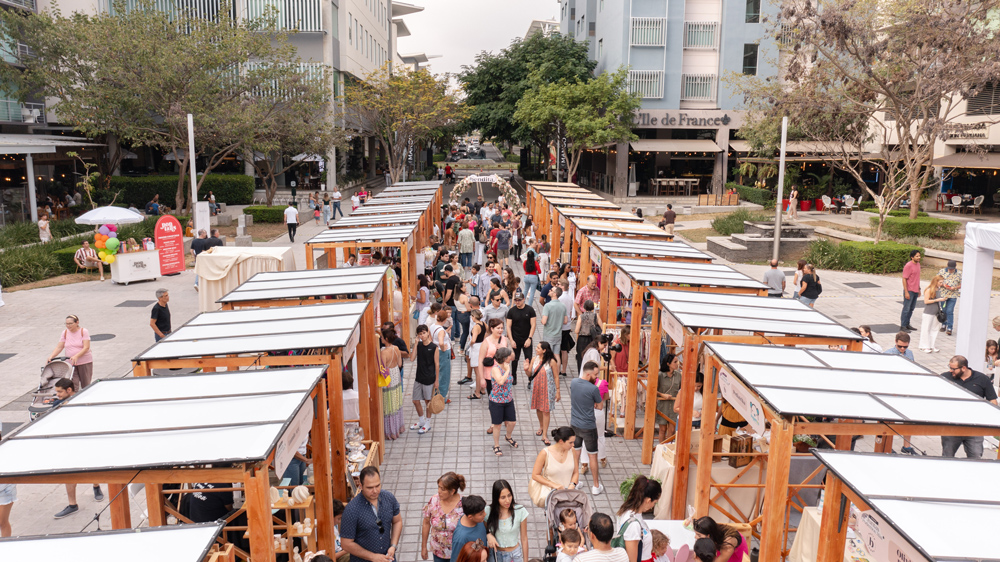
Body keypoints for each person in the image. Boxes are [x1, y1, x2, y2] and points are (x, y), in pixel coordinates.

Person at [50, 379, 104, 518]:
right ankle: (72, 504)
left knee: (91, 466)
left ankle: (96, 486)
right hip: (67, 443)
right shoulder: (57, 404)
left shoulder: (83, 399)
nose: (57, 395)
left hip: (84, 440)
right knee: (68, 473)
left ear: (69, 390)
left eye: (60, 392)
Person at [340, 466, 402, 562]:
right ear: (360, 486)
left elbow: (397, 521)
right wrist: (373, 557)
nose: (375, 491)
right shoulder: (352, 509)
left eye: (377, 486)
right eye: (370, 488)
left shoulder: (389, 498)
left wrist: (393, 546)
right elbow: (346, 544)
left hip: (388, 558)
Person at [941, 355, 998, 458]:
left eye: (953, 369)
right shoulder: (945, 377)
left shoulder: (982, 379)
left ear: (963, 368)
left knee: (976, 456)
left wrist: (989, 418)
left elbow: (992, 401)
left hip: (974, 426)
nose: (950, 371)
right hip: (951, 426)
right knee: (947, 457)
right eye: (950, 367)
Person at [571, 361, 605, 495]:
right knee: (592, 456)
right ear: (588, 374)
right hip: (589, 427)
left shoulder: (573, 382)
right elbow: (600, 406)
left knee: (576, 454)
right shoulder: (593, 389)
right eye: (595, 375)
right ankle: (596, 486)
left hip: (574, 424)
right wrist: (593, 404)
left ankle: (575, 482)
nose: (597, 377)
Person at [528, 427, 578, 508]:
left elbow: (575, 472)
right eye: (570, 442)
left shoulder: (572, 451)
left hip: (568, 495)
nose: (573, 445)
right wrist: (555, 485)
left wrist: (572, 485)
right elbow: (535, 475)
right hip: (550, 496)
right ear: (561, 441)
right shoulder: (545, 453)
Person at [614, 476, 661, 562]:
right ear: (648, 501)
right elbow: (632, 559)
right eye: (654, 503)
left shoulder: (625, 511)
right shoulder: (633, 525)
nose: (653, 506)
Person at [422, 472, 467, 562]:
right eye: (438, 487)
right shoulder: (434, 500)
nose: (439, 491)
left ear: (452, 491)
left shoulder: (463, 504)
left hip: (458, 552)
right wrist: (423, 547)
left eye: (442, 489)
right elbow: (426, 523)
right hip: (438, 551)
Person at [46, 314, 95, 391]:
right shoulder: (65, 332)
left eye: (70, 324)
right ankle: (74, 397)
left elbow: (86, 347)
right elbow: (59, 347)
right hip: (70, 363)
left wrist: (76, 356)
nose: (68, 326)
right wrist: (51, 356)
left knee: (86, 384)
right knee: (73, 384)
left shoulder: (83, 331)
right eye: (66, 324)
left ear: (77, 322)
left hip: (84, 362)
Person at [485, 479, 530, 562]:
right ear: (496, 498)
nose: (508, 500)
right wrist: (488, 534)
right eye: (503, 497)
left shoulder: (520, 511)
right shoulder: (488, 511)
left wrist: (526, 560)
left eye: (509, 495)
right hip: (495, 555)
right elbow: (483, 528)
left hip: (514, 555)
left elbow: (524, 538)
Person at [488, 349, 518, 455]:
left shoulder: (506, 366)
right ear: (505, 358)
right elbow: (500, 381)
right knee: (497, 425)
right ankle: (496, 445)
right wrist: (507, 371)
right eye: (509, 356)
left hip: (508, 399)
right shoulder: (495, 369)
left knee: (512, 422)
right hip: (496, 401)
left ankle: (508, 437)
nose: (511, 357)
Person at [529, 341, 560, 440]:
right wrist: (526, 369)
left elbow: (556, 377)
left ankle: (545, 434)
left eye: (538, 348)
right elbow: (529, 374)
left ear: (544, 350)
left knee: (546, 411)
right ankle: (541, 426)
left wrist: (558, 390)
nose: (536, 349)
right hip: (536, 388)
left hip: (547, 389)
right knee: (538, 408)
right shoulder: (534, 359)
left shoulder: (552, 362)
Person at [412, 324, 439, 435]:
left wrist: (437, 380)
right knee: (415, 401)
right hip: (419, 377)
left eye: (424, 333)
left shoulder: (434, 347)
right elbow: (412, 358)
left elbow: (437, 364)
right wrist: (415, 344)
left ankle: (427, 423)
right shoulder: (418, 346)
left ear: (428, 333)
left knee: (428, 402)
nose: (422, 335)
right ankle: (421, 420)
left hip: (429, 378)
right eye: (420, 334)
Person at [379, 326, 405, 440]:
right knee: (396, 401)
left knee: (388, 403)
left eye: (382, 337)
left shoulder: (383, 352)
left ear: (386, 338)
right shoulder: (396, 348)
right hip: (396, 375)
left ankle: (390, 431)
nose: (381, 339)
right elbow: (400, 364)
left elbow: (382, 368)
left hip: (388, 377)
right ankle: (398, 427)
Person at [506, 291, 537, 386]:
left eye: (519, 300)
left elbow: (533, 325)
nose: (517, 302)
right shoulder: (511, 311)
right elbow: (508, 326)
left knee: (529, 359)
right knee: (514, 360)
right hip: (515, 339)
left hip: (526, 339)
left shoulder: (530, 310)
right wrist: (511, 340)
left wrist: (529, 338)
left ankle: (530, 379)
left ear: (523, 299)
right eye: (515, 300)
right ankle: (513, 377)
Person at [451, 496, 488, 562]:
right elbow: (457, 559)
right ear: (470, 517)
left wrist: (489, 534)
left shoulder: (478, 519)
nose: (485, 514)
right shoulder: (460, 538)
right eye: (481, 514)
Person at [656, 353, 682, 442]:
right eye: (675, 362)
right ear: (668, 363)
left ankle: (668, 448)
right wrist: (662, 395)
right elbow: (652, 390)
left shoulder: (679, 375)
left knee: (672, 430)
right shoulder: (660, 375)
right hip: (663, 407)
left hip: (674, 407)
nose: (677, 364)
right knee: (662, 430)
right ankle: (661, 448)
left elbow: (682, 389)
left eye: (677, 361)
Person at [918, 275, 946, 353]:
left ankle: (931, 345)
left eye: (942, 282)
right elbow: (926, 301)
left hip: (936, 312)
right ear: (936, 281)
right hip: (928, 312)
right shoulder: (929, 290)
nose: (941, 284)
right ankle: (924, 346)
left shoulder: (938, 289)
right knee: (926, 329)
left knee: (935, 329)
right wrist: (937, 300)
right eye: (940, 282)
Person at [430, 308, 454, 401]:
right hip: (443, 352)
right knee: (444, 375)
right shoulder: (441, 330)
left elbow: (431, 339)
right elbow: (441, 342)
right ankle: (441, 397)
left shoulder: (432, 326)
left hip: (435, 351)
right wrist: (443, 348)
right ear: (445, 319)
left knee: (437, 372)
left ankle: (435, 394)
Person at [542, 287, 568, 360]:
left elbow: (544, 321)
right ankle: (557, 367)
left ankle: (550, 367)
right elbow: (565, 321)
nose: (549, 290)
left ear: (555, 294)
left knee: (548, 355)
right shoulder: (563, 306)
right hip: (558, 334)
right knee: (556, 355)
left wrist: (542, 320)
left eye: (551, 290)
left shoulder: (547, 305)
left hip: (549, 334)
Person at [938, 259, 962, 335]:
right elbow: (937, 280)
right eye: (949, 268)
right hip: (943, 294)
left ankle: (950, 327)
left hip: (953, 295)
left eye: (952, 269)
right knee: (944, 310)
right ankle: (944, 324)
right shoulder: (942, 271)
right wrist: (943, 285)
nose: (950, 270)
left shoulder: (959, 273)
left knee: (950, 311)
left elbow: (962, 284)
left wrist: (955, 287)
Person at [900, 250, 922, 332]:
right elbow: (904, 279)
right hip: (909, 290)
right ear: (912, 257)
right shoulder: (908, 266)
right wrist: (906, 292)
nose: (919, 257)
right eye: (917, 256)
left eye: (919, 256)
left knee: (911, 309)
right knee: (906, 309)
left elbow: (917, 278)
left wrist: (919, 289)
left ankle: (907, 324)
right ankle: (903, 326)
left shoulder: (918, 264)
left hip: (915, 290)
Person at [558, 280, 576, 377]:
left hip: (560, 326)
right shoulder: (569, 298)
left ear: (562, 287)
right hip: (567, 326)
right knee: (564, 350)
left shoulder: (560, 298)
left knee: (558, 349)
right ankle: (564, 370)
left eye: (559, 284)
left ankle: (557, 369)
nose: (557, 286)